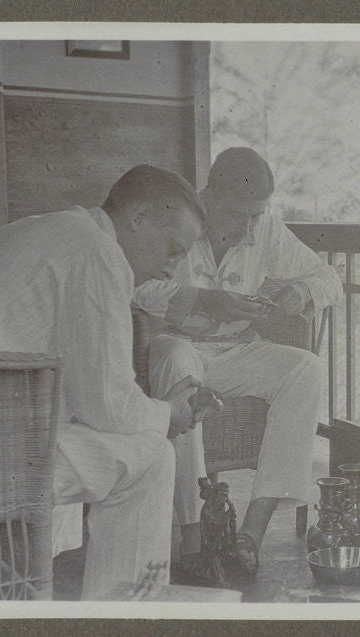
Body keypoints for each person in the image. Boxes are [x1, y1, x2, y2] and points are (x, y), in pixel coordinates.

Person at [0, 165, 210, 600]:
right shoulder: (97, 251)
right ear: (138, 218)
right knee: (153, 456)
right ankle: (129, 614)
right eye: (174, 249)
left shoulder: (33, 230)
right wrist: (170, 413)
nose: (173, 270)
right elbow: (111, 409)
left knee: (82, 433)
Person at [132, 147, 342, 576]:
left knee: (307, 369)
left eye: (256, 215)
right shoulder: (176, 217)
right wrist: (203, 300)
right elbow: (137, 287)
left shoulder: (265, 228)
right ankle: (192, 531)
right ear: (208, 196)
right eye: (238, 215)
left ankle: (252, 532)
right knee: (177, 359)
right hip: (180, 344)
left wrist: (299, 293)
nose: (248, 228)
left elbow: (329, 278)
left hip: (236, 352)